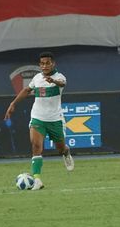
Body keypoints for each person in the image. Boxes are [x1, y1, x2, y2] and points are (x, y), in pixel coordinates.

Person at [4, 52, 75, 190]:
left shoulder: (59, 77)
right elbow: (26, 90)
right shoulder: (37, 78)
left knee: (60, 148)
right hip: (38, 117)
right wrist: (13, 104)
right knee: (36, 147)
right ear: (39, 65)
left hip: (55, 119)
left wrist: (53, 81)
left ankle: (66, 152)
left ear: (53, 64)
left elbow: (62, 83)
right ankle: (37, 180)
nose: (44, 66)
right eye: (42, 63)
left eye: (47, 63)